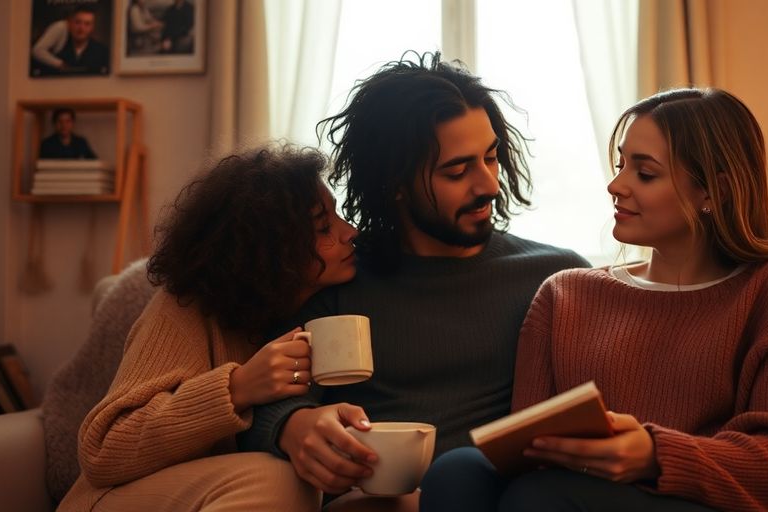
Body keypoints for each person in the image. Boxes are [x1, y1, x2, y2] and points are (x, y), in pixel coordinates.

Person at [420, 88, 768, 512]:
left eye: (645, 173)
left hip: (700, 499)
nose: (615, 184)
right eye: (622, 164)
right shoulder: (564, 293)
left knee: (542, 497)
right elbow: (528, 448)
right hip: (564, 491)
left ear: (712, 192)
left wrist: (655, 455)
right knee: (458, 471)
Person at [238, 51, 590, 510]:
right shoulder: (339, 280)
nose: (488, 185)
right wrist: (291, 426)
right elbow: (268, 401)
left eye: (491, 157)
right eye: (457, 171)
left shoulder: (556, 276)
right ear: (395, 182)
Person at [57, 145, 359, 511]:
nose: (350, 231)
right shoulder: (185, 309)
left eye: (339, 216)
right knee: (275, 478)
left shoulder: (320, 310)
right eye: (323, 226)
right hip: (111, 500)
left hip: (217, 495)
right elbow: (104, 449)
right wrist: (237, 388)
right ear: (269, 246)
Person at [30, 6, 109, 76]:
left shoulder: (102, 51)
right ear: (69, 23)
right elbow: (37, 51)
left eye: (87, 24)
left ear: (93, 27)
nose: (81, 28)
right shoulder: (60, 34)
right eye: (77, 22)